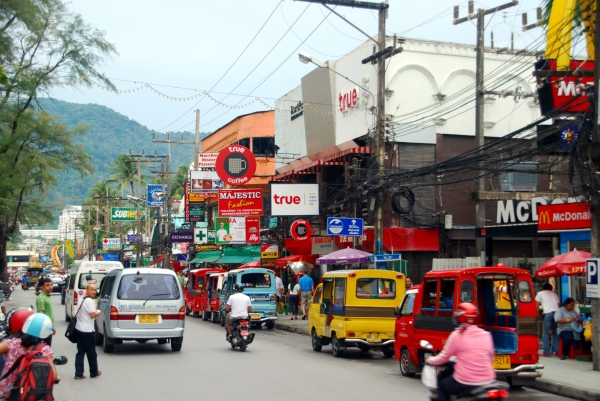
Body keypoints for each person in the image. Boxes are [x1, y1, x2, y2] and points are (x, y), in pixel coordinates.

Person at [426, 303, 495, 401]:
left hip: (464, 381)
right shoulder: (486, 335)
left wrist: (431, 360)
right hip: (488, 381)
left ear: (460, 317)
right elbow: (490, 358)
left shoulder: (457, 335)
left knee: (442, 386)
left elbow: (443, 357)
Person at [0, 313, 59, 400]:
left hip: (5, 395)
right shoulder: (44, 350)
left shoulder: (11, 343)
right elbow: (53, 376)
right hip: (27, 396)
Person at [75, 284, 101, 380]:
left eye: (95, 290)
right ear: (87, 290)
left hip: (79, 328)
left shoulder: (81, 298)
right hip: (87, 331)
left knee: (80, 352)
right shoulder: (89, 301)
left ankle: (79, 373)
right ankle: (94, 372)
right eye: (92, 290)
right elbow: (93, 315)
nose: (94, 291)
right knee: (91, 352)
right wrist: (99, 312)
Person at [535, 283, 560, 357]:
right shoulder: (554, 294)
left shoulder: (539, 293)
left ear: (543, 288)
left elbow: (537, 305)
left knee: (546, 333)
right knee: (555, 332)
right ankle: (557, 351)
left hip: (548, 313)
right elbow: (558, 305)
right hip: (556, 313)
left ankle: (546, 352)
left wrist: (536, 315)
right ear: (550, 289)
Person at [36, 277, 56, 346]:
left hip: (49, 328)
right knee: (45, 352)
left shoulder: (47, 296)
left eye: (51, 284)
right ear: (42, 287)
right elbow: (41, 315)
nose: (50, 287)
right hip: (44, 330)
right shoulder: (42, 298)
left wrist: (52, 327)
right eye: (47, 285)